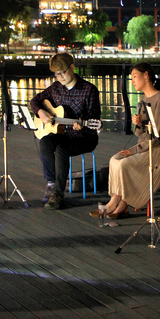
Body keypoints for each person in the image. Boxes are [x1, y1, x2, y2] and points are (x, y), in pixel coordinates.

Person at [89, 62, 160, 218]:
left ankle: (122, 204)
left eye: (135, 77)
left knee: (124, 163)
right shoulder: (143, 99)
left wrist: (134, 150)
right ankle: (115, 202)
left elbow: (158, 135)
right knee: (114, 160)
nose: (133, 81)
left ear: (146, 75)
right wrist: (138, 123)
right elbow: (139, 134)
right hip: (146, 145)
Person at [30, 53, 101, 210]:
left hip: (84, 137)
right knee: (46, 141)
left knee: (62, 149)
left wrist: (83, 126)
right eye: (57, 74)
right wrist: (40, 112)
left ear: (72, 67)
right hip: (62, 134)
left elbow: (94, 119)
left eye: (63, 72)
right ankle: (51, 183)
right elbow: (34, 101)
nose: (60, 77)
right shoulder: (55, 88)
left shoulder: (89, 90)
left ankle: (57, 195)